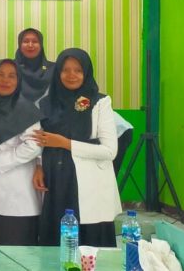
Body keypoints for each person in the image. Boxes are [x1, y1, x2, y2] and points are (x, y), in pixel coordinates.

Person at [32, 48, 121, 247]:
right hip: (56, 179)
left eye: (78, 70)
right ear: (58, 73)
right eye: (65, 70)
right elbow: (40, 139)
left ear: (86, 72)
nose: (71, 75)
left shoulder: (100, 102)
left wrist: (65, 143)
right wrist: (38, 166)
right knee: (58, 239)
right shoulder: (45, 104)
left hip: (90, 182)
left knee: (92, 242)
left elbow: (109, 151)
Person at [0, 60, 44, 246]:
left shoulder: (26, 109)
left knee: (17, 252)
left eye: (12, 76)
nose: (5, 80)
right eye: (0, 74)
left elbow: (34, 146)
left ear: (18, 80)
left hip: (17, 197)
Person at [13, 28, 54, 104]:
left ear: (41, 45)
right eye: (26, 41)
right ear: (20, 44)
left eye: (35, 41)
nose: (30, 45)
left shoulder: (53, 69)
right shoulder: (10, 67)